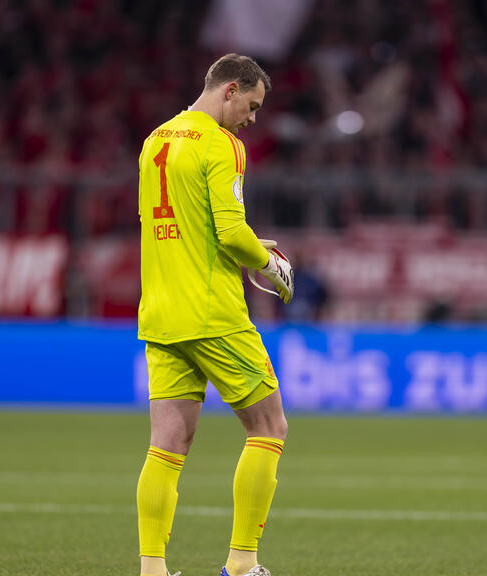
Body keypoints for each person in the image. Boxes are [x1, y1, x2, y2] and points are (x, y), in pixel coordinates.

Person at [135, 53, 294, 576]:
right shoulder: (223, 145)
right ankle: (243, 565)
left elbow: (182, 228)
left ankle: (152, 570)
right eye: (250, 105)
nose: (251, 119)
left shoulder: (154, 140)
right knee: (269, 425)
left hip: (161, 313)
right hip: (212, 312)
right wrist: (269, 264)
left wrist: (245, 245)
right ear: (230, 89)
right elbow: (229, 231)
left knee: (168, 444)